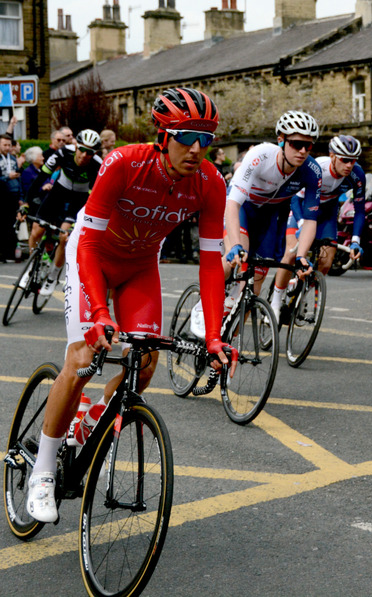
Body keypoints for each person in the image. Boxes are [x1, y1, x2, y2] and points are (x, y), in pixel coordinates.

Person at [26, 87, 233, 523]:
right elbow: (88, 243)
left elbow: (212, 264)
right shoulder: (124, 163)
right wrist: (100, 313)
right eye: (186, 137)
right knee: (83, 358)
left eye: (206, 139)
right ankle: (42, 471)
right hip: (93, 256)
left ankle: (90, 424)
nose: (197, 149)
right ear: (163, 135)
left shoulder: (211, 183)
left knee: (147, 362)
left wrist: (214, 336)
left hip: (140, 266)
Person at [222, 110, 321, 320]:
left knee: (253, 290)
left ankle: (232, 338)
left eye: (308, 145)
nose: (303, 151)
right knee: (236, 255)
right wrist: (235, 244)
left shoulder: (312, 171)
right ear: (281, 140)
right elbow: (233, 203)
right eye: (296, 144)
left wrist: (301, 256)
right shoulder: (260, 155)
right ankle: (204, 304)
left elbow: (311, 220)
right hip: (242, 208)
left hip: (267, 216)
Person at [23, 129, 104, 296]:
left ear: (95, 153)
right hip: (59, 192)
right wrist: (25, 203)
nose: (84, 155)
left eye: (90, 152)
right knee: (37, 230)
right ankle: (30, 268)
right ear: (76, 146)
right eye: (82, 149)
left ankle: (53, 276)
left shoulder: (98, 165)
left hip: (80, 198)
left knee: (64, 236)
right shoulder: (63, 153)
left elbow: (96, 197)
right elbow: (40, 178)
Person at [283, 134, 366, 276]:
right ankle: (278, 290)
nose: (349, 165)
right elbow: (296, 199)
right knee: (291, 255)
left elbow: (360, 210)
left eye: (353, 161)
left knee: (326, 263)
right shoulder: (318, 168)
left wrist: (355, 241)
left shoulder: (357, 175)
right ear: (332, 156)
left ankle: (308, 289)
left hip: (328, 212)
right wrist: (301, 224)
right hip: (303, 209)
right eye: (344, 160)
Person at [1, 133, 23, 261]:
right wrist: (6, 177)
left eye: (9, 145)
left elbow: (19, 179)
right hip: (2, 195)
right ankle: (3, 254)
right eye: (4, 145)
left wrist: (21, 197)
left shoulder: (13, 159)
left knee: (11, 225)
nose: (7, 147)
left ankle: (10, 253)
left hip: (13, 195)